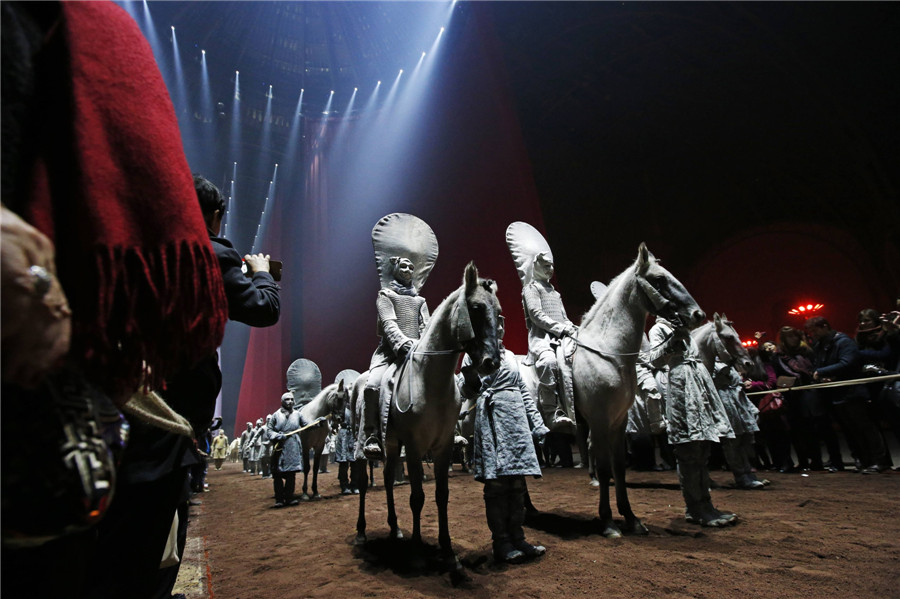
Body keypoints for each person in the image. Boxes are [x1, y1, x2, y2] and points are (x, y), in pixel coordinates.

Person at [458, 320, 550, 564]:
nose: (498, 326)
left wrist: (537, 423)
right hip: (492, 420)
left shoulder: (509, 355)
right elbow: (466, 391)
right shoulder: (472, 356)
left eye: (500, 322)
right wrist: (469, 378)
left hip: (516, 422)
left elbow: (522, 390)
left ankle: (518, 538)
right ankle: (501, 542)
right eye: (492, 322)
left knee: (518, 484)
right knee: (497, 486)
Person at [648, 316, 737, 527]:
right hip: (680, 385)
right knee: (689, 450)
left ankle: (706, 505)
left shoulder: (687, 329)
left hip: (699, 383)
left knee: (702, 450)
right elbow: (654, 359)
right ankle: (695, 508)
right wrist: (672, 342)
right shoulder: (659, 328)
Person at [361, 256, 430, 459]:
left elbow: (426, 326)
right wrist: (402, 344)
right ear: (395, 269)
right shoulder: (385, 296)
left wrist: (423, 346)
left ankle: (451, 431)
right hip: (391, 353)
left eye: (411, 266)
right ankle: (372, 434)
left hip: (417, 351)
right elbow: (389, 325)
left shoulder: (420, 301)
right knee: (372, 385)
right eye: (404, 265)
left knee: (446, 379)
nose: (408, 268)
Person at [805, 316, 888, 473]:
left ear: (824, 326)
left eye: (814, 330)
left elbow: (848, 362)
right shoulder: (821, 344)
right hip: (838, 393)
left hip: (852, 392)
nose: (812, 334)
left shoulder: (843, 341)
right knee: (852, 430)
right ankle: (866, 461)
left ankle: (879, 461)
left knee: (865, 427)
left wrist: (820, 372)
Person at [520, 251, 578, 433]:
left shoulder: (555, 293)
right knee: (548, 362)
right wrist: (560, 328)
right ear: (536, 265)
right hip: (542, 338)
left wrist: (572, 327)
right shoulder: (531, 288)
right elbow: (536, 315)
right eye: (546, 265)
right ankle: (552, 412)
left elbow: (563, 317)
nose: (550, 269)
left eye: (551, 266)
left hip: (563, 337)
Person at [267, 392, 326, 507]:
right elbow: (269, 431)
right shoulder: (275, 415)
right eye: (287, 399)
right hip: (279, 446)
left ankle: (289, 497)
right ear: (282, 401)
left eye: (291, 399)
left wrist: (318, 422)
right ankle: (279, 499)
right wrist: (276, 436)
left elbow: (307, 426)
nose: (289, 401)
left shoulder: (298, 415)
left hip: (292, 446)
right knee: (278, 474)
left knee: (291, 474)